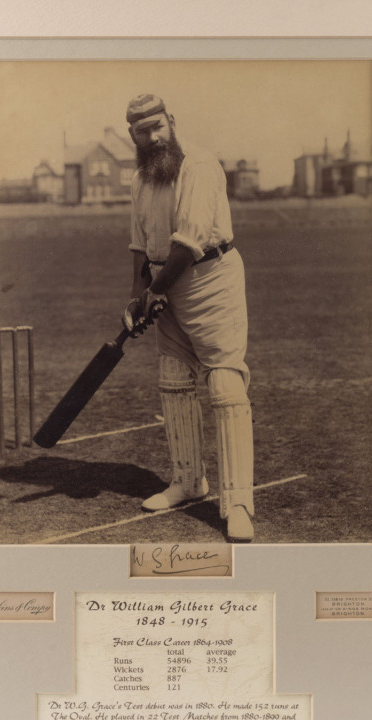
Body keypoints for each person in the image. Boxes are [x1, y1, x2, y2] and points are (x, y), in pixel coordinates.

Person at [122, 94, 255, 542]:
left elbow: (189, 243)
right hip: (166, 285)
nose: (155, 136)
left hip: (210, 280)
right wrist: (138, 296)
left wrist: (155, 293)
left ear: (172, 122)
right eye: (145, 130)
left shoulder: (198, 165)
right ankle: (188, 480)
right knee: (175, 379)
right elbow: (141, 247)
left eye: (159, 126)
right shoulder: (141, 178)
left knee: (223, 383)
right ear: (133, 135)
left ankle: (237, 502)